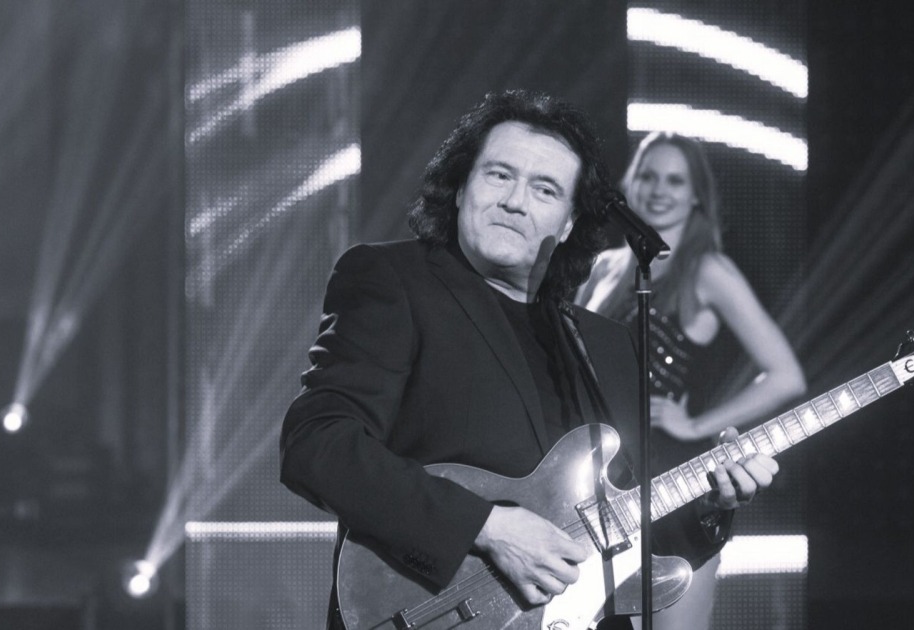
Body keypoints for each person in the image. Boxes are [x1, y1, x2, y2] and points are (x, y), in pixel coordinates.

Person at [279, 91, 780, 630]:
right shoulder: (394, 279)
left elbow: (632, 538)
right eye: (499, 175)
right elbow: (317, 444)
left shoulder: (606, 344)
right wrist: (487, 528)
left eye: (545, 189)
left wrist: (712, 502)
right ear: (460, 188)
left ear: (568, 223)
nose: (515, 201)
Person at [577, 131, 806, 629]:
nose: (659, 189)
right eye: (649, 176)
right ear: (630, 183)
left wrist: (697, 423)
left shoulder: (708, 270)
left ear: (697, 194)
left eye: (675, 180)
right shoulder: (601, 269)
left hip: (676, 492)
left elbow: (786, 374)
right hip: (595, 486)